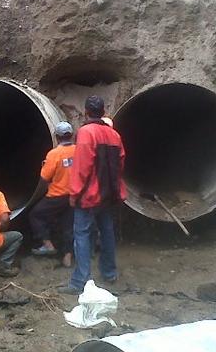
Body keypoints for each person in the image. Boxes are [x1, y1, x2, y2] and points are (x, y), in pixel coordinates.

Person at [58, 96, 126, 295]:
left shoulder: (86, 133)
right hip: (109, 195)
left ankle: (80, 281)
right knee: (107, 233)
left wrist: (74, 193)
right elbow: (120, 163)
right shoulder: (114, 135)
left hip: (89, 196)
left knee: (82, 234)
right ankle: (110, 273)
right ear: (103, 111)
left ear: (86, 112)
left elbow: (82, 166)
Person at [29, 121, 76, 267]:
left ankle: (48, 245)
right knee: (68, 225)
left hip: (56, 196)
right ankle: (67, 256)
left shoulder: (54, 154)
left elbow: (44, 178)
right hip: (74, 195)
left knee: (35, 215)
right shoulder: (79, 151)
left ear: (56, 137)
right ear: (72, 135)